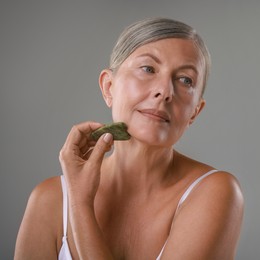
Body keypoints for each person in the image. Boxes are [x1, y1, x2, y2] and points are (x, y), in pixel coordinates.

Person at [14, 17, 244, 260]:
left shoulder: (215, 193)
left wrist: (80, 205)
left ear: (195, 111)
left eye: (185, 80)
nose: (165, 91)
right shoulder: (50, 199)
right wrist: (73, 197)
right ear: (108, 87)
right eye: (148, 69)